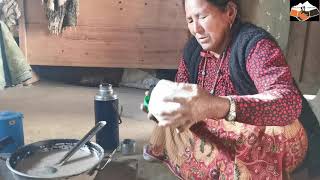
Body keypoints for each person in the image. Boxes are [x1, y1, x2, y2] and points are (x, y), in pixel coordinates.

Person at [142, 0, 310, 179]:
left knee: (271, 131)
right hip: (222, 134)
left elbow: (288, 102)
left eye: (202, 17)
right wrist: (161, 104)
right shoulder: (193, 50)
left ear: (230, 12)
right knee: (173, 119)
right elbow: (181, 95)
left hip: (257, 134)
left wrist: (217, 106)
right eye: (190, 20)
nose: (196, 30)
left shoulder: (254, 45)